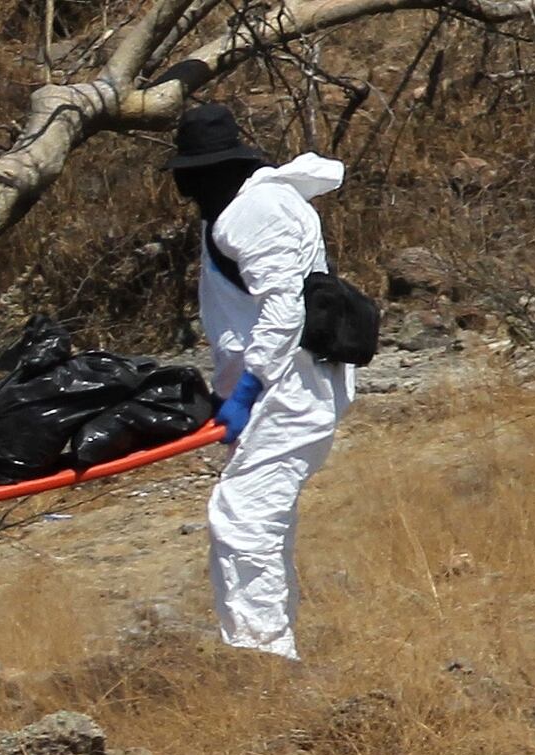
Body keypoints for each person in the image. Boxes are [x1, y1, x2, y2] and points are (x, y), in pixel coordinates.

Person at [163, 103, 356, 661]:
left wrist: (247, 390)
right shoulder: (247, 207)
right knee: (263, 518)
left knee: (243, 517)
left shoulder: (254, 212)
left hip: (288, 390)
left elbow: (283, 309)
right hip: (282, 386)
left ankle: (261, 657)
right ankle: (270, 646)